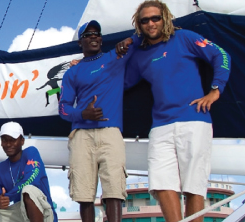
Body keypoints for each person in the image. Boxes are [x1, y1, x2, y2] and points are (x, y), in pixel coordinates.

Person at [119, 1, 231, 221]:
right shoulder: (140, 55)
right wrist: (82, 66)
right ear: (139, 25)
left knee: (193, 185)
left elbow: (221, 55)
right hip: (160, 126)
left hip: (194, 120)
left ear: (165, 18)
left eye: (155, 18)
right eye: (145, 20)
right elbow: (120, 83)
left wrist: (215, 90)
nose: (151, 23)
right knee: (161, 183)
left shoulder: (185, 38)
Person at [58, 20, 137, 222]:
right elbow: (63, 107)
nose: (93, 36)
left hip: (110, 131)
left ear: (101, 39)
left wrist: (130, 39)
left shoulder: (116, 57)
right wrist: (82, 114)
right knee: (84, 194)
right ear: (80, 43)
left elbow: (146, 36)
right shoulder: (72, 72)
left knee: (114, 191)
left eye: (96, 34)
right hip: (81, 135)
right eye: (87, 35)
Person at [0, 121, 58, 222]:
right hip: (19, 213)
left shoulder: (31, 152)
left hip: (43, 213)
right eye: (4, 140)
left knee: (28, 190)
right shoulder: (0, 169)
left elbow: (32, 180)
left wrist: (8, 196)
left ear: (22, 141)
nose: (8, 144)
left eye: (13, 140)